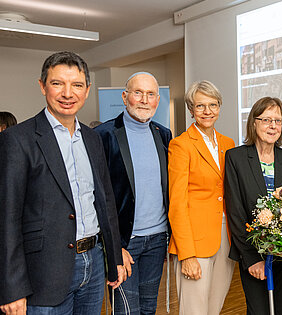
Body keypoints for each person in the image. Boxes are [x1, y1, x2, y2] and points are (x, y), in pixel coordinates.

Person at [0, 51, 125, 314]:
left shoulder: (93, 139)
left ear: (87, 90)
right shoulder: (18, 139)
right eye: (58, 83)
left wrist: (114, 258)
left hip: (92, 265)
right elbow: (7, 218)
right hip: (43, 273)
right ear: (43, 85)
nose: (68, 93)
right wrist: (11, 287)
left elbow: (105, 203)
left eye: (77, 85)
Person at [95, 72, 172, 314]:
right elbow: (97, 196)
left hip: (157, 240)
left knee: (149, 309)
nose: (144, 100)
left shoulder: (164, 135)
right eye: (137, 93)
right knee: (126, 311)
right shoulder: (104, 135)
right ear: (125, 97)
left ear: (157, 101)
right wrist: (114, 246)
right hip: (125, 244)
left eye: (150, 94)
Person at [225, 97, 282, 315]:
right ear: (253, 122)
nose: (273, 126)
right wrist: (251, 258)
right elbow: (236, 211)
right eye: (267, 119)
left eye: (278, 121)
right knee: (258, 311)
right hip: (253, 254)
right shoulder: (236, 157)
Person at [168, 80, 235, 315]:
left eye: (213, 105)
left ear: (219, 107)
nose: (207, 111)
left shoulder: (228, 144)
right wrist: (187, 255)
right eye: (200, 106)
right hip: (194, 242)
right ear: (191, 110)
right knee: (194, 310)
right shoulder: (180, 145)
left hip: (224, 236)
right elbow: (177, 204)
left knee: (214, 308)